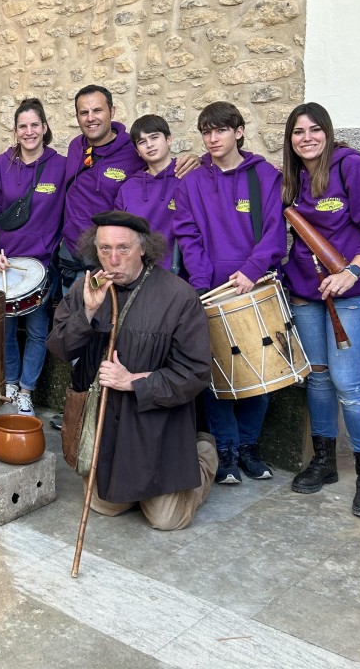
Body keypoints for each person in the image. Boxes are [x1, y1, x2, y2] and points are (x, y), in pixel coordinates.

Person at [47, 211, 216, 530]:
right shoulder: (86, 287)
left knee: (167, 520)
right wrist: (88, 312)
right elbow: (60, 348)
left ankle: (204, 454)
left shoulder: (178, 296)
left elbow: (196, 373)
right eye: (104, 249)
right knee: (103, 506)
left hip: (154, 426)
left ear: (143, 249)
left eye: (123, 248)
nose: (112, 259)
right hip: (104, 425)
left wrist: (133, 381)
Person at [281, 102, 360, 519]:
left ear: (328, 133)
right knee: (318, 379)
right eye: (298, 132)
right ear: (290, 139)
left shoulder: (353, 168)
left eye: (314, 129)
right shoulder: (290, 180)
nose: (306, 137)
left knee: (348, 383)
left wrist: (353, 270)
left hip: (352, 292)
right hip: (307, 295)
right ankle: (325, 461)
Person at [173, 101, 285, 485]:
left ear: (238, 131)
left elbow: (274, 229)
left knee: (261, 366)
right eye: (206, 131)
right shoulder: (191, 183)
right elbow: (187, 234)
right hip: (211, 289)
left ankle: (250, 446)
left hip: (256, 285)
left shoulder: (265, 176)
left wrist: (252, 270)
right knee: (216, 371)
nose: (212, 138)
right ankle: (226, 448)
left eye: (220, 130)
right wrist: (202, 283)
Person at [60, 85, 197, 290]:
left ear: (112, 112)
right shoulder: (75, 147)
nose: (91, 118)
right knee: (73, 319)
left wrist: (199, 160)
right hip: (71, 255)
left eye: (97, 110)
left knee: (106, 318)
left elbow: (159, 162)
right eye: (84, 112)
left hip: (107, 259)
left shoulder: (131, 150)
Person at [0, 98, 67, 416]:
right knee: (3, 328)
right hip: (4, 263)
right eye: (23, 126)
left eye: (35, 125)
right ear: (16, 131)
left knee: (35, 330)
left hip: (41, 266)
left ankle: (27, 390)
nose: (29, 131)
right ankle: (10, 383)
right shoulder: (1, 165)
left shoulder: (61, 165)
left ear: (44, 128)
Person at [116, 114, 183, 273]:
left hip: (179, 275)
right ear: (137, 151)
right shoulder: (127, 189)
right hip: (138, 275)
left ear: (169, 140)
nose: (149, 145)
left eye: (154, 137)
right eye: (142, 142)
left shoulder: (187, 178)